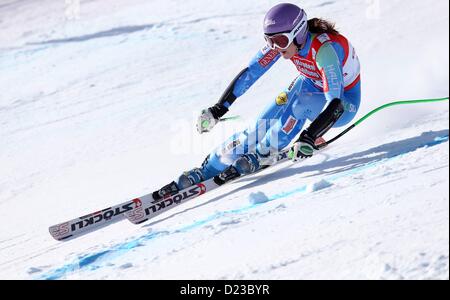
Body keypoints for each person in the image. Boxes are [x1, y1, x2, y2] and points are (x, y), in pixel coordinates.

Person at [156, 3, 361, 198]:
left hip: (344, 102)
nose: (276, 47)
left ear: (298, 33)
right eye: (269, 41)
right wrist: (219, 109)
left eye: (280, 41)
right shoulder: (286, 43)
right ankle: (210, 168)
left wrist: (309, 136)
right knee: (260, 125)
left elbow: (336, 104)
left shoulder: (324, 50)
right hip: (309, 84)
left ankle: (265, 151)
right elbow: (251, 73)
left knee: (301, 104)